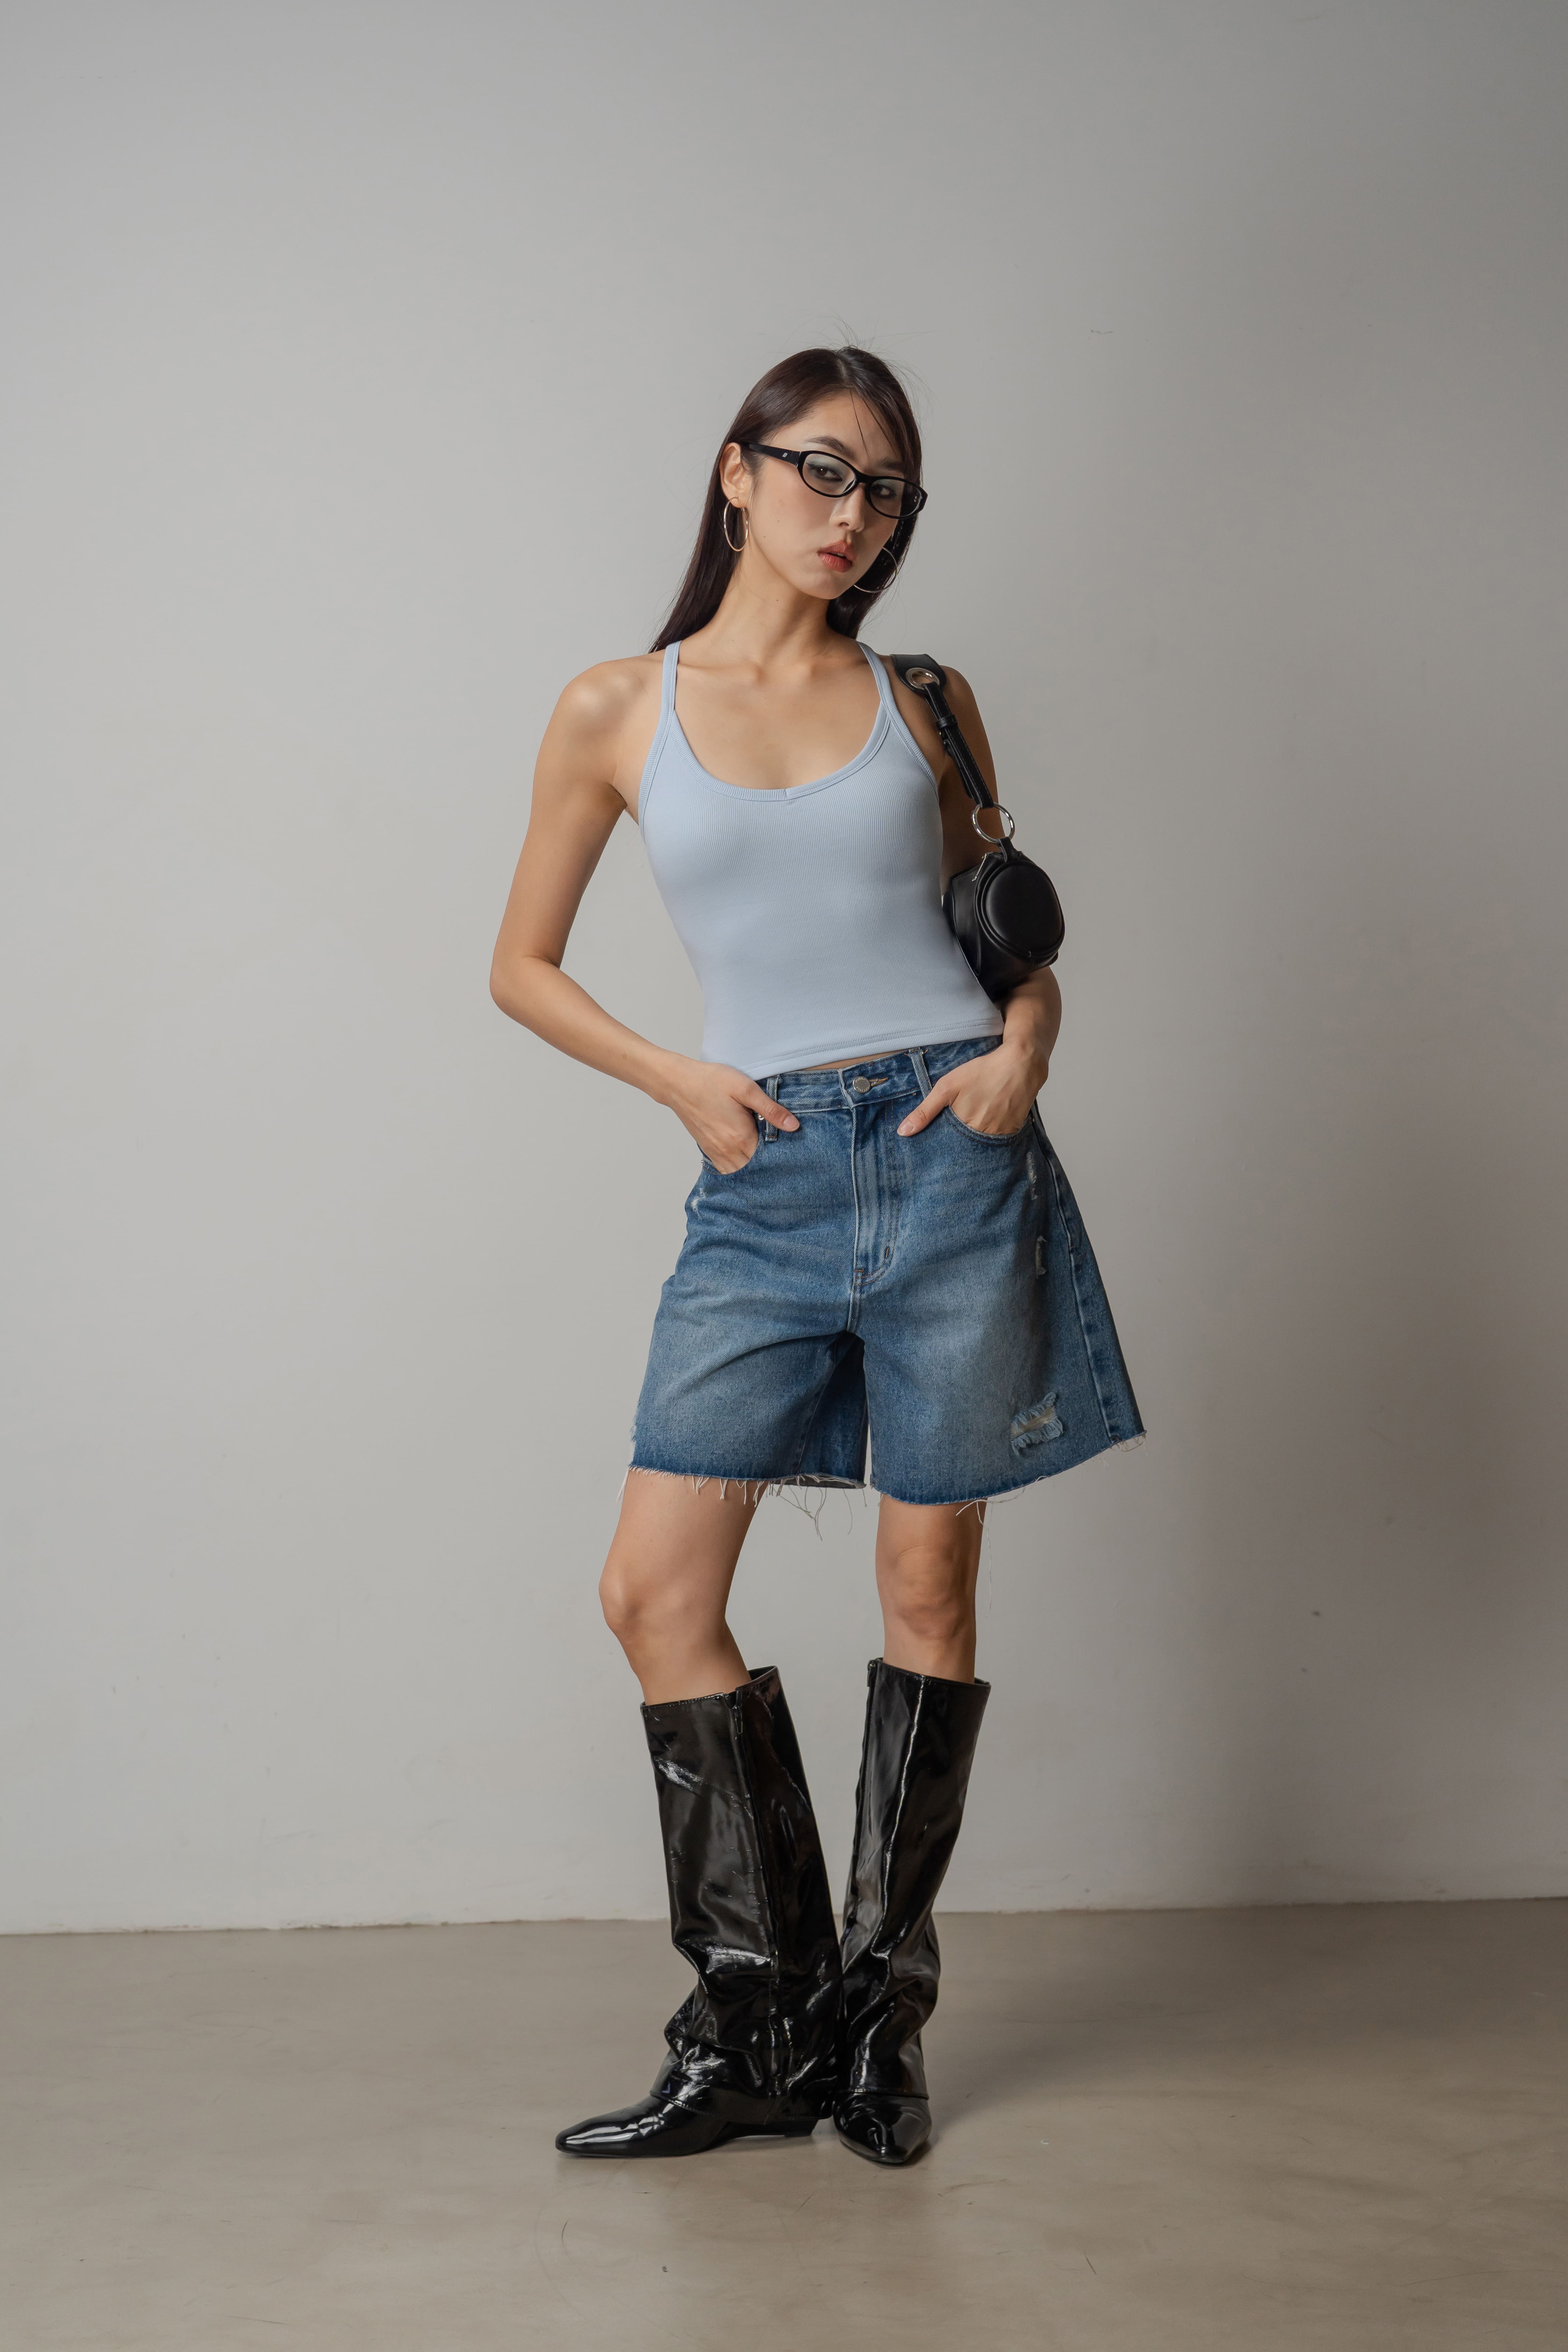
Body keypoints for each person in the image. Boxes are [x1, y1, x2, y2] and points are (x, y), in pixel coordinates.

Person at [489, 345, 1141, 2166]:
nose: (851, 514)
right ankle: (755, 2022)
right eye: (821, 471)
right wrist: (678, 1081)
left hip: (951, 1159)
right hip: (762, 1176)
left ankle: (875, 2030)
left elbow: (1012, 943)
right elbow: (519, 966)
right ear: (738, 471)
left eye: (885, 491)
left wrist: (1024, 1051)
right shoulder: (614, 707)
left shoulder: (924, 700)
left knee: (924, 1593)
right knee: (653, 1591)